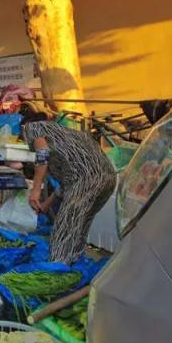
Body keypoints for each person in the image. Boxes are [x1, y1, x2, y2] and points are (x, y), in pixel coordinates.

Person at [21, 109, 117, 265]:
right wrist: (46, 204)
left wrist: (35, 190)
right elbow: (67, 184)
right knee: (79, 226)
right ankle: (71, 265)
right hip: (107, 178)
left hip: (87, 179)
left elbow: (42, 154)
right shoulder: (64, 136)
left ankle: (56, 269)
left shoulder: (35, 127)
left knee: (65, 227)